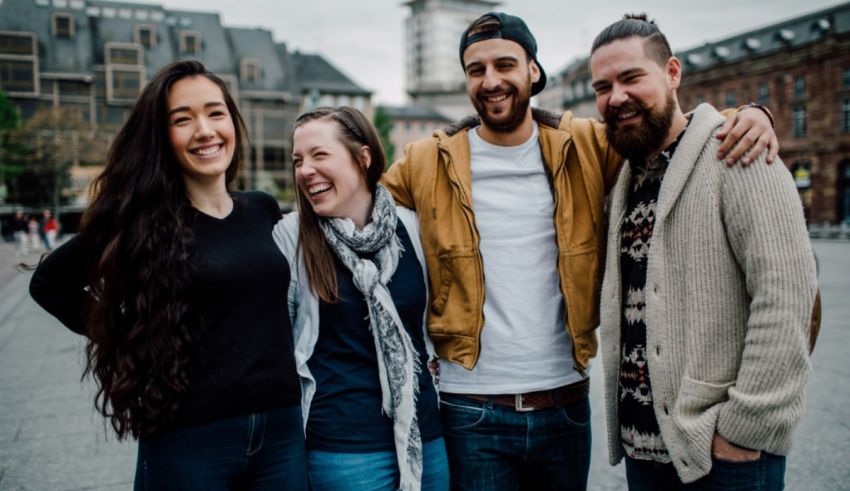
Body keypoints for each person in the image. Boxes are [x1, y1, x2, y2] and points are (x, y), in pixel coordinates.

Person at [381, 11, 778, 491]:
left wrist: (750, 115)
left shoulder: (587, 144)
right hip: (470, 407)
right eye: (476, 70)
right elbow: (362, 205)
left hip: (564, 406)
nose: (491, 81)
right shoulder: (426, 161)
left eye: (505, 65)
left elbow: (672, 131)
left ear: (533, 70)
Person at [28, 60, 307, 490]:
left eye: (216, 113)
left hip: (282, 432)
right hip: (190, 437)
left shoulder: (262, 208)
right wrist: (128, 333)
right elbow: (49, 284)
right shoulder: (140, 220)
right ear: (162, 136)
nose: (205, 130)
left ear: (233, 121)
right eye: (183, 119)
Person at [589, 14, 817, 490]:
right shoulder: (627, 175)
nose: (616, 97)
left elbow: (787, 295)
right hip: (645, 453)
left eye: (632, 78)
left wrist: (744, 429)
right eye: (602, 86)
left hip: (724, 458)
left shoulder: (736, 152)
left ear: (672, 73)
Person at [272, 106, 449, 491]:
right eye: (298, 161)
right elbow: (276, 343)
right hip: (343, 453)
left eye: (320, 155)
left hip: (426, 440)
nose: (304, 170)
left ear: (363, 157)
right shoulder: (292, 238)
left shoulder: (411, 228)